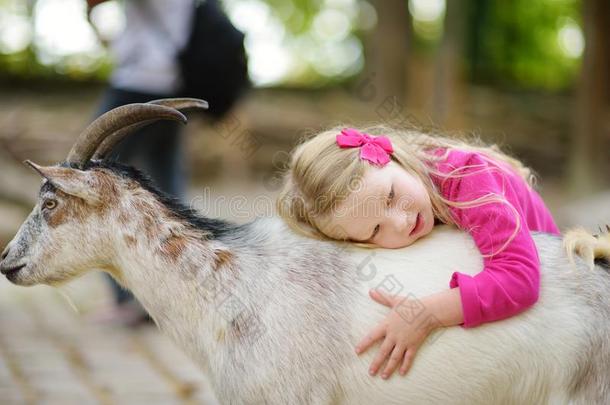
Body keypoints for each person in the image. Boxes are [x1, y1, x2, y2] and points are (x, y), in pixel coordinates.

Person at [276, 125, 561, 379]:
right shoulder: (402, 189)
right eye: (375, 231)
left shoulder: (470, 177)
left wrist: (426, 314)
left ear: (394, 157)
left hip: (561, 316)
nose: (401, 223)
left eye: (390, 196)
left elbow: (520, 279)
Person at [87, 0, 247, 325]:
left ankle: (128, 299)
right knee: (168, 194)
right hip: (172, 84)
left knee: (87, 176)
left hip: (139, 80)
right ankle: (173, 295)